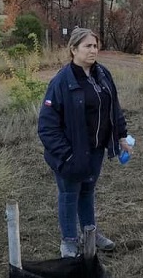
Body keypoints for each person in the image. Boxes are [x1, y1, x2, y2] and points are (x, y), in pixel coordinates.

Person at [38, 28, 132, 258]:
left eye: (95, 46)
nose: (93, 50)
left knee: (87, 190)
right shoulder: (61, 81)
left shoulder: (102, 74)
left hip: (96, 150)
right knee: (69, 194)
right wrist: (67, 155)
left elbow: (114, 109)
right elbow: (47, 127)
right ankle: (69, 242)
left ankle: (90, 232)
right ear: (73, 49)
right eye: (87, 46)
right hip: (71, 153)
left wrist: (121, 136)